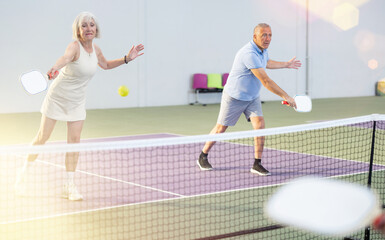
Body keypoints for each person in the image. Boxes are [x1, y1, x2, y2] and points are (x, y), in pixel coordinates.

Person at [15, 12, 144, 201]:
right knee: (43, 137)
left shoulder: (96, 50)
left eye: (91, 25)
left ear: (96, 29)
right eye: (84, 25)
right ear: (78, 30)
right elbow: (65, 58)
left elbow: (106, 65)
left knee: (74, 143)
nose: (88, 28)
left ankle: (69, 185)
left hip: (76, 102)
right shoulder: (74, 47)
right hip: (58, 97)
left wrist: (127, 58)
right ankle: (23, 176)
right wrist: (55, 67)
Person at [197, 23, 301, 176]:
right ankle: (203, 155)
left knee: (260, 125)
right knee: (221, 129)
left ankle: (257, 163)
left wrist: (286, 64)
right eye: (263, 35)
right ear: (255, 37)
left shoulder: (262, 51)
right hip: (234, 97)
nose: (267, 38)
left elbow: (267, 62)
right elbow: (265, 81)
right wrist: (286, 96)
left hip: (252, 97)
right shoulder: (249, 54)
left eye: (270, 35)